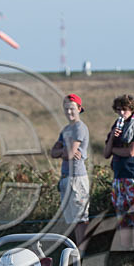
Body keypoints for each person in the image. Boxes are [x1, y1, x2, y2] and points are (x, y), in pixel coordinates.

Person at [51, 94, 90, 245]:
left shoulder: (80, 128)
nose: (69, 112)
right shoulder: (66, 129)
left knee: (81, 218)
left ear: (79, 109)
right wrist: (65, 151)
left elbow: (69, 153)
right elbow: (54, 152)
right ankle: (77, 250)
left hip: (77, 178)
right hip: (66, 176)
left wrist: (65, 151)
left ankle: (83, 250)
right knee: (72, 219)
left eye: (72, 108)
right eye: (66, 109)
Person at [103, 94, 134, 228]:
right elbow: (106, 153)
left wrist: (113, 150)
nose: (122, 113)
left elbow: (131, 152)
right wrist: (112, 137)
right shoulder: (117, 125)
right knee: (121, 217)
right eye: (118, 110)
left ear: (131, 109)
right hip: (118, 175)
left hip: (132, 174)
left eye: (124, 109)